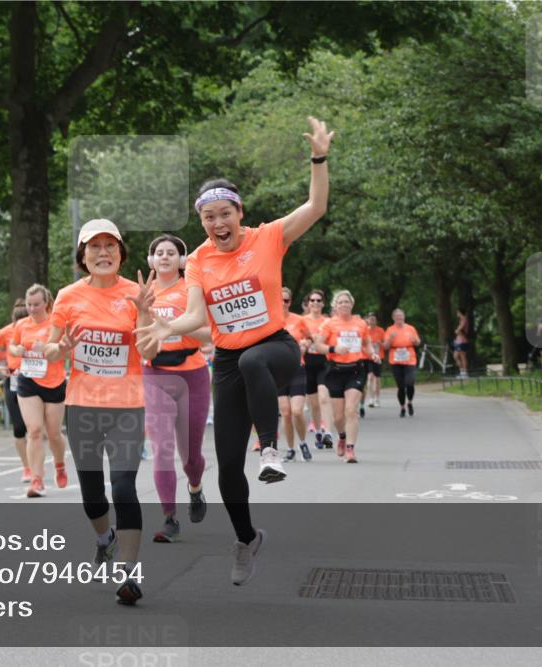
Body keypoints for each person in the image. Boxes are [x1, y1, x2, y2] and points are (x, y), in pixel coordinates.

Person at [136, 116, 334, 585]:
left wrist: (319, 157)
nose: (217, 223)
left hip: (275, 348)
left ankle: (270, 449)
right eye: (208, 217)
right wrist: (165, 326)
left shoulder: (269, 237)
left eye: (224, 213)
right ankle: (246, 539)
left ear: (239, 212)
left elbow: (316, 206)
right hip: (227, 362)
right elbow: (195, 316)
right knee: (226, 468)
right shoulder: (199, 260)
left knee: (253, 359)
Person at [46, 219, 155, 605]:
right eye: (94, 246)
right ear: (83, 255)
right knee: (93, 497)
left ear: (121, 253)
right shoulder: (68, 296)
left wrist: (144, 313)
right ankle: (103, 537)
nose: (103, 252)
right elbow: (49, 349)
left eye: (110, 245)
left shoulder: (138, 294)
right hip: (82, 406)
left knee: (123, 486)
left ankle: (129, 573)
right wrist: (61, 350)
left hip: (127, 405)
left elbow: (150, 351)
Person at [142, 234, 212, 543]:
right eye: (159, 252)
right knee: (162, 448)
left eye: (171, 252)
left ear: (182, 259)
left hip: (192, 374)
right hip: (155, 374)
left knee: (191, 456)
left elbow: (212, 334)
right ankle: (169, 517)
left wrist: (176, 328)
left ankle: (195, 488)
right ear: (151, 260)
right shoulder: (143, 294)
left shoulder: (192, 290)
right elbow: (136, 336)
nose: (165, 257)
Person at [9, 284, 68, 498]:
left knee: (53, 434)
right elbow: (12, 346)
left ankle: (59, 464)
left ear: (46, 303)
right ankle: (37, 479)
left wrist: (47, 349)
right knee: (34, 430)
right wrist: (18, 350)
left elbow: (65, 352)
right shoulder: (21, 324)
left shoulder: (55, 324)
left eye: (36, 304)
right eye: (29, 304)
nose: (32, 309)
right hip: (28, 380)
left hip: (54, 382)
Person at [312, 290, 378, 463]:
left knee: (351, 410)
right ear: (335, 305)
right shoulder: (329, 324)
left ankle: (350, 449)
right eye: (340, 302)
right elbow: (318, 345)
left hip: (355, 370)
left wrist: (372, 354)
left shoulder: (360, 323)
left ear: (352, 304)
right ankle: (342, 436)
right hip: (335, 371)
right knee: (338, 417)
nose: (343, 304)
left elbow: (367, 344)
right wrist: (334, 349)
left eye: (346, 302)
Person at [0, 300, 30, 482]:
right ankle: (27, 468)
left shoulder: (37, 330)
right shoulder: (5, 332)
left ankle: (36, 465)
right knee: (19, 428)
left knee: (34, 428)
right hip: (13, 380)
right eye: (16, 321)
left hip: (34, 382)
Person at [279, 287, 311, 462]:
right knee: (285, 412)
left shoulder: (299, 320)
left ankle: (303, 442)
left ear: (290, 302)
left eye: (286, 300)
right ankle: (290, 449)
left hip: (297, 368)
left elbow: (309, 337)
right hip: (277, 370)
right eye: (280, 300)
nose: (283, 303)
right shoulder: (270, 320)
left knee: (297, 411)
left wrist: (305, 344)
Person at [300, 289, 334, 450]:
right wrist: (304, 343)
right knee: (314, 404)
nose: (315, 303)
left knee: (324, 397)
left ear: (323, 303)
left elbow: (333, 340)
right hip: (307, 362)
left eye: (318, 300)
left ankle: (328, 433)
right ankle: (319, 432)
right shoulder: (302, 321)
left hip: (324, 362)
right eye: (312, 300)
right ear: (308, 303)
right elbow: (296, 338)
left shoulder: (328, 322)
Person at [384, 308, 421, 418]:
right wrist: (390, 339)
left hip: (409, 358)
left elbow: (418, 342)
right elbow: (385, 346)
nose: (399, 318)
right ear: (393, 318)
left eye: (401, 316)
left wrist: (415, 341)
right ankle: (402, 407)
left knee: (410, 383)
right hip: (395, 360)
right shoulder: (390, 330)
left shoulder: (410, 328)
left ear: (404, 317)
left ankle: (409, 402)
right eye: (397, 316)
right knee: (400, 386)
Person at [365, 312, 385, 408]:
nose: (372, 321)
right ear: (367, 320)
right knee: (370, 377)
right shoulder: (365, 330)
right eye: (370, 319)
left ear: (376, 321)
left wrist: (380, 343)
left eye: (373, 319)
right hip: (368, 357)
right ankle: (371, 398)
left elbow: (385, 345)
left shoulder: (380, 330)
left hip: (378, 357)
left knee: (377, 379)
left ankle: (377, 398)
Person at [454, 308, 470, 379]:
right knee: (455, 356)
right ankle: (462, 372)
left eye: (457, 312)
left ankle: (465, 373)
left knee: (462, 356)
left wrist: (457, 330)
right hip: (459, 340)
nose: (457, 314)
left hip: (462, 340)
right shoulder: (461, 320)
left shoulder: (464, 319)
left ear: (460, 313)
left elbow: (459, 330)